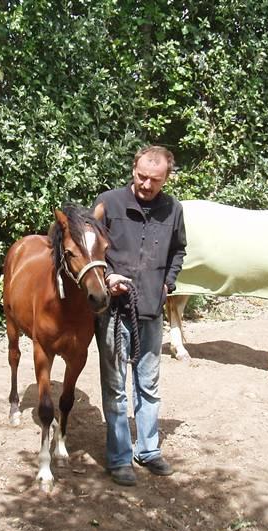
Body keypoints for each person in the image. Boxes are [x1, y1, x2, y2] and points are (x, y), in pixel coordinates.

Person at [92, 145, 187, 486]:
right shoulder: (109, 202)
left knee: (148, 384)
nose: (147, 185)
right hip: (114, 312)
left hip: (151, 309)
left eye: (155, 180)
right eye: (141, 176)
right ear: (133, 169)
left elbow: (178, 250)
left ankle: (148, 450)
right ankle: (119, 459)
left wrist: (168, 285)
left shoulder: (173, 209)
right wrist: (106, 278)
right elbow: (88, 245)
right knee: (116, 387)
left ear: (166, 178)